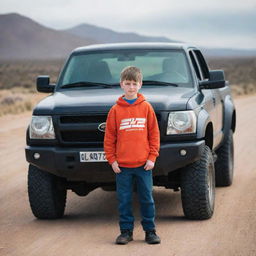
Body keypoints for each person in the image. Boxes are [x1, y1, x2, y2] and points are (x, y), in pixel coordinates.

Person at [104, 66, 161, 245]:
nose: (131, 87)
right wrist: (112, 160)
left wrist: (152, 157)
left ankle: (150, 231)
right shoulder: (115, 110)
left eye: (134, 83)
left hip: (144, 165)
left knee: (147, 199)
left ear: (140, 84)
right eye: (127, 83)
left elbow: (154, 134)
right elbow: (109, 138)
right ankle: (126, 232)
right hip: (122, 167)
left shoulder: (146, 108)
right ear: (121, 84)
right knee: (124, 200)